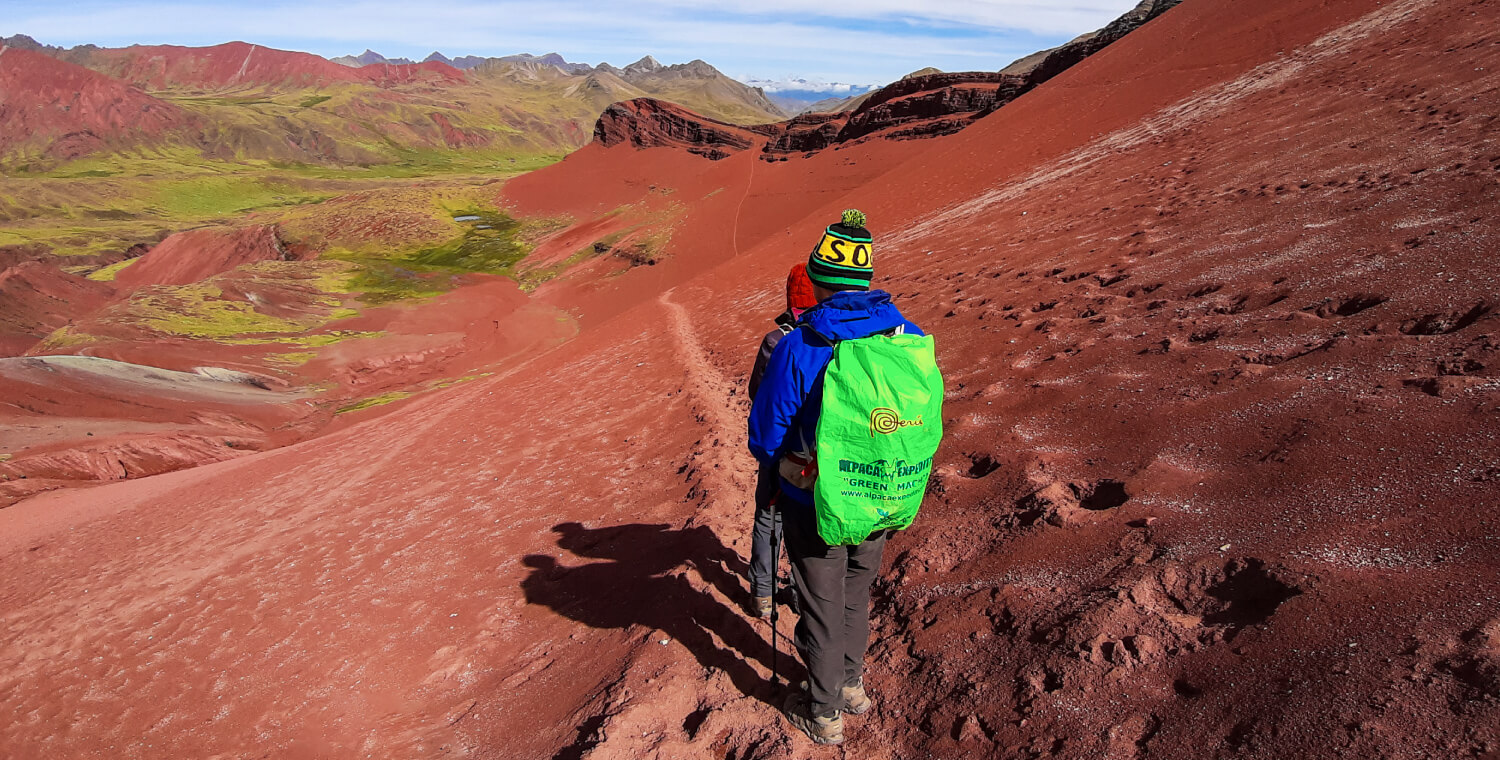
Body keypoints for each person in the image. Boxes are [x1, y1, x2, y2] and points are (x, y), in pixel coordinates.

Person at [748, 209, 925, 745]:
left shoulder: (802, 343)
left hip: (814, 500)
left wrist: (780, 473)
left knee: (820, 604)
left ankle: (822, 711)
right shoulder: (907, 333)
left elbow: (765, 431)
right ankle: (852, 685)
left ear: (820, 278)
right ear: (866, 278)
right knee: (855, 594)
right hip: (880, 492)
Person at [745, 264, 819, 618]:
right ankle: (804, 594)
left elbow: (756, 393)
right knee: (809, 521)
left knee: (768, 515)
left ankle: (762, 593)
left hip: (778, 448)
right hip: (819, 453)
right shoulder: (835, 336)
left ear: (791, 297)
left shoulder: (776, 341)